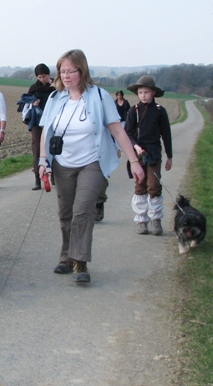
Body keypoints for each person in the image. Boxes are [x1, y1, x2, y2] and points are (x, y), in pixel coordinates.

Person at [38, 49, 144, 283]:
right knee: (66, 212)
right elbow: (47, 131)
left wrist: (134, 161)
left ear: (82, 71)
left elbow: (117, 130)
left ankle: (80, 261)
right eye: (62, 71)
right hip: (63, 164)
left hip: (92, 163)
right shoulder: (55, 99)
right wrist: (43, 161)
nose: (65, 76)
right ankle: (66, 256)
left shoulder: (99, 96)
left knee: (83, 209)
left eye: (70, 71)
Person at [124, 75, 173, 236]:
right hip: (137, 154)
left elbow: (166, 135)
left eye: (146, 92)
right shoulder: (133, 110)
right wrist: (135, 146)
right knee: (140, 186)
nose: (143, 95)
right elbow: (128, 133)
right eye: (140, 92)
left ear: (153, 92)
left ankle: (156, 219)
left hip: (153, 154)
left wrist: (169, 156)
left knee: (154, 186)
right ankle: (141, 220)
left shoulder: (160, 111)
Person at [95, 90, 131, 222]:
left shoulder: (104, 103)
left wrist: (116, 148)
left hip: (103, 149)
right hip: (79, 154)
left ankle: (99, 204)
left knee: (101, 179)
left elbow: (115, 131)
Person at [27, 63, 56, 190]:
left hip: (53, 122)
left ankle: (54, 176)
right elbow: (24, 104)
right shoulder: (34, 88)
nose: (42, 79)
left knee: (54, 148)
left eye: (44, 76)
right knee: (37, 150)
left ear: (48, 75)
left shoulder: (56, 86)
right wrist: (32, 103)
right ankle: (37, 180)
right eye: (39, 77)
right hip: (37, 123)